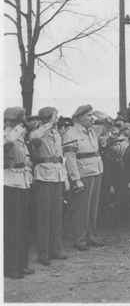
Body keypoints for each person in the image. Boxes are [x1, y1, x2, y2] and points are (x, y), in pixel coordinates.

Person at [29, 107, 68, 265]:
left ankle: (56, 248)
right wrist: (46, 125)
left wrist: (65, 178)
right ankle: (43, 252)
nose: (57, 119)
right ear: (48, 117)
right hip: (44, 175)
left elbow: (60, 157)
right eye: (55, 116)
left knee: (56, 215)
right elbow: (33, 138)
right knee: (44, 216)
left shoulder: (56, 133)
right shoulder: (39, 132)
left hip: (57, 175)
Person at [62, 105, 104, 251]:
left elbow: (106, 122)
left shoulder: (91, 131)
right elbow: (70, 158)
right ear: (79, 117)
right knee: (81, 208)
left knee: (93, 207)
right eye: (88, 115)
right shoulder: (71, 133)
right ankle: (79, 238)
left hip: (96, 170)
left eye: (92, 115)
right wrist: (76, 179)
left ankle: (91, 235)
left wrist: (99, 115)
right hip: (83, 173)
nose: (92, 118)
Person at [4, 107, 34, 279]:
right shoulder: (7, 135)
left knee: (23, 226)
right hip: (9, 183)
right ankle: (10, 267)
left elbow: (26, 158)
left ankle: (21, 264)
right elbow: (6, 142)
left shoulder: (20, 138)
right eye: (23, 121)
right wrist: (17, 130)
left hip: (22, 182)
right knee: (12, 227)